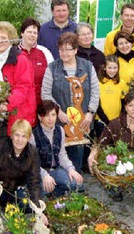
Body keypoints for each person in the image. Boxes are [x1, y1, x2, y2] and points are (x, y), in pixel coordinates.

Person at [41, 32, 100, 173]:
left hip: (82, 121)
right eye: (61, 49)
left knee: (78, 154)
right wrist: (58, 111)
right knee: (61, 155)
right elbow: (45, 94)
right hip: (60, 121)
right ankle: (62, 184)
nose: (64, 53)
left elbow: (95, 91)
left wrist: (90, 113)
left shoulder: (87, 67)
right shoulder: (52, 68)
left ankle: (76, 184)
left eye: (68, 49)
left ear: (75, 50)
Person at [88, 91, 134, 204]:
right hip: (117, 166)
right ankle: (116, 189)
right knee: (107, 172)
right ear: (125, 107)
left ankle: (133, 183)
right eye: (130, 105)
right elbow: (101, 143)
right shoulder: (115, 124)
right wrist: (92, 154)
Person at [0, 119, 48, 225]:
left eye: (24, 136)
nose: (20, 140)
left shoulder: (33, 153)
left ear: (29, 138)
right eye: (17, 135)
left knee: (39, 192)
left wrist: (39, 211)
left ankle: (12, 212)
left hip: (18, 191)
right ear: (11, 135)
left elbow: (34, 182)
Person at [0, 21, 36, 138]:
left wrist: (7, 103)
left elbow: (24, 86)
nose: (0, 41)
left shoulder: (20, 60)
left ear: (11, 40)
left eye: (4, 38)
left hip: (16, 114)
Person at [29, 100, 84, 197]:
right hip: (39, 172)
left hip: (56, 170)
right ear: (40, 117)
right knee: (38, 193)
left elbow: (62, 154)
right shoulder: (33, 135)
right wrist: (44, 175)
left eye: (53, 115)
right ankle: (51, 190)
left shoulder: (60, 130)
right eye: (47, 115)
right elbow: (32, 162)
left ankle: (56, 191)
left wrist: (70, 169)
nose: (51, 119)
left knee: (77, 184)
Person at [19, 17, 54, 105]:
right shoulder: (13, 53)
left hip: (41, 104)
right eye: (29, 32)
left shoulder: (45, 52)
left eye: (35, 33)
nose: (32, 35)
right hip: (20, 105)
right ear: (22, 33)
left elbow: (53, 78)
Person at [97, 55, 129, 125]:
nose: (112, 71)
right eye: (109, 68)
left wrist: (120, 117)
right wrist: (105, 120)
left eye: (115, 68)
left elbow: (124, 101)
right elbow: (96, 104)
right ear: (104, 67)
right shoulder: (98, 82)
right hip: (101, 120)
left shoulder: (121, 83)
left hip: (117, 120)